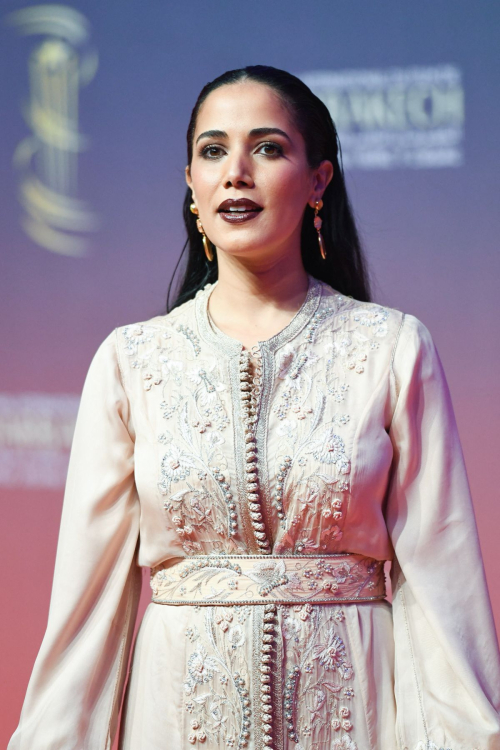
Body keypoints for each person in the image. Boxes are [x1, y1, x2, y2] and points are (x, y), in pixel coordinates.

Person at [8, 64, 500, 750]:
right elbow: (86, 614)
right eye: (213, 151)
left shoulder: (390, 349)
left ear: (319, 179)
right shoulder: (132, 362)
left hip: (351, 719)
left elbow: (444, 596)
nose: (236, 171)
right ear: (190, 183)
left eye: (267, 148)